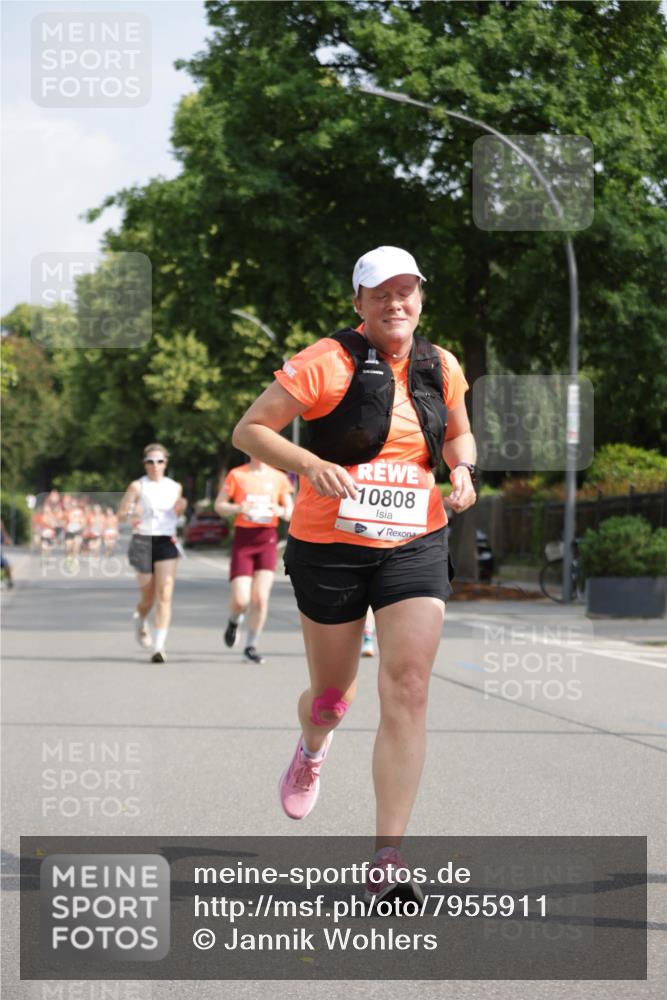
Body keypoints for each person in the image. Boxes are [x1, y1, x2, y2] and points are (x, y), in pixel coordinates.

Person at [232, 246, 477, 901]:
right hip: (330, 546)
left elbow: (458, 435)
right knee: (331, 699)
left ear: (420, 298)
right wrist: (310, 465)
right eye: (381, 293)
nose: (396, 303)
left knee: (409, 686)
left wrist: (462, 470)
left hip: (415, 540)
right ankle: (312, 748)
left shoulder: (440, 365)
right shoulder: (326, 360)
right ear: (359, 303)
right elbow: (250, 431)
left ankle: (387, 858)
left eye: (406, 291)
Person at [215, 457, 294, 664]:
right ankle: (234, 621)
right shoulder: (237, 474)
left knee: (260, 598)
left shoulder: (279, 477)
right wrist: (238, 508)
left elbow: (291, 511)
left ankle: (250, 646)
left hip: (267, 539)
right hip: (244, 540)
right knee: (241, 599)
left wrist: (280, 511)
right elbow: (219, 506)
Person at [117, 443, 187, 663]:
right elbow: (120, 515)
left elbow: (177, 514)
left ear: (166, 463)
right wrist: (133, 511)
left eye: (159, 461)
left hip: (166, 540)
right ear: (144, 463)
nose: (155, 465)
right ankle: (139, 619)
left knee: (164, 594)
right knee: (147, 598)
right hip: (142, 541)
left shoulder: (175, 487)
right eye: (150, 461)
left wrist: (181, 508)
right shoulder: (137, 486)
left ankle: (159, 646)